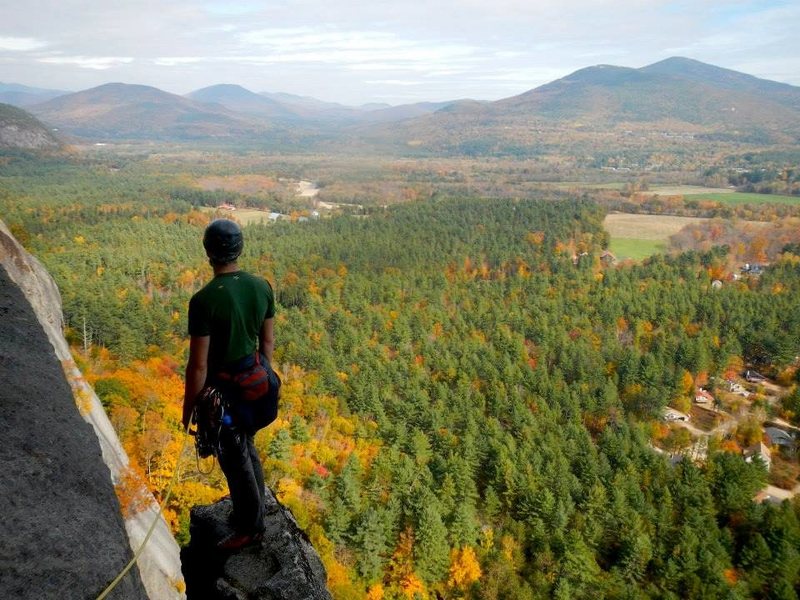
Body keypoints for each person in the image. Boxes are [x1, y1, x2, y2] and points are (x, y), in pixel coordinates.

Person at [182, 218, 276, 550]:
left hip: (224, 394)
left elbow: (199, 365)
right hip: (255, 382)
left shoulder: (204, 301)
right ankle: (254, 514)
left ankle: (251, 528)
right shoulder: (261, 286)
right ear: (240, 248)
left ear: (209, 252)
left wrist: (189, 409)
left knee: (235, 459)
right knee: (246, 447)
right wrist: (263, 383)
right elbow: (266, 346)